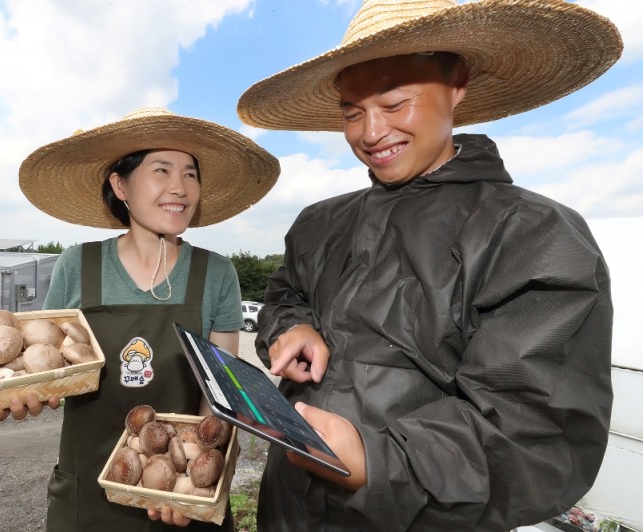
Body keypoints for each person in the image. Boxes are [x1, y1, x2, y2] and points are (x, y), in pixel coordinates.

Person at [236, 1, 621, 530]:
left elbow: (537, 429)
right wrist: (290, 327)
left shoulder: (532, 233)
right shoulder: (319, 223)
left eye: (395, 103)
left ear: (457, 83)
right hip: (288, 507)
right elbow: (284, 296)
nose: (371, 133)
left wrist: (376, 460)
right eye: (352, 112)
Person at [0, 107, 279, 531]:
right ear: (120, 185)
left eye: (190, 174)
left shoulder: (216, 273)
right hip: (89, 491)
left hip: (178, 490)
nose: (179, 188)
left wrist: (199, 478)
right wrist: (20, 394)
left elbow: (220, 392)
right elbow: (45, 365)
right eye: (161, 170)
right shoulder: (79, 265)